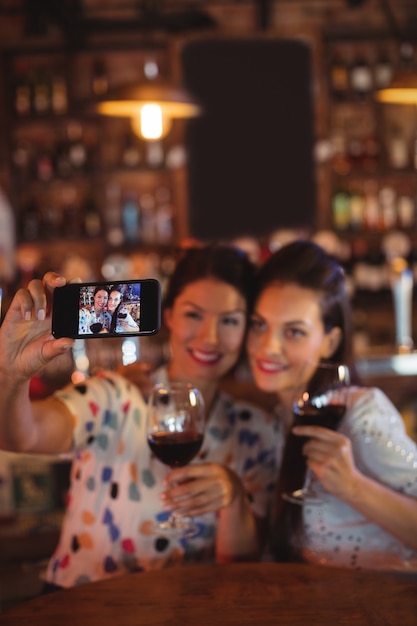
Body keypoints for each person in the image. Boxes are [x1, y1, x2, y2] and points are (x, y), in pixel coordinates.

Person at [0, 243, 279, 589]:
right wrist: (10, 375)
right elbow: (19, 437)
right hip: (80, 608)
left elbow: (242, 569)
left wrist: (234, 498)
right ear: (170, 315)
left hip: (187, 610)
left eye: (230, 321)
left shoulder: (258, 431)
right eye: (194, 315)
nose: (210, 338)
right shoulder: (115, 394)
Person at [245, 239, 417, 571]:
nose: (269, 347)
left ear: (330, 342)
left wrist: (353, 486)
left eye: (293, 332)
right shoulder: (273, 419)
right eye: (259, 325)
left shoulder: (362, 416)